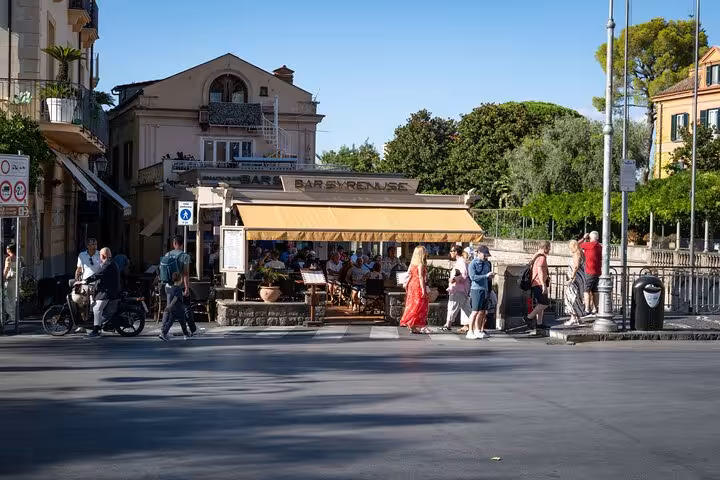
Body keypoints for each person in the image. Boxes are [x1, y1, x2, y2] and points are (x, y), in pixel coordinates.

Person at [159, 235, 198, 337]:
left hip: (168, 285)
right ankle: (192, 330)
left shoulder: (168, 254)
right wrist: (186, 288)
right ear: (182, 244)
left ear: (174, 243)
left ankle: (165, 329)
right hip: (179, 286)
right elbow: (186, 273)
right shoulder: (185, 256)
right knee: (185, 308)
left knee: (172, 307)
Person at [83, 248, 121, 338]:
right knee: (97, 308)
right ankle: (102, 324)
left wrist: (86, 280)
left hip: (107, 292)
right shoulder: (111, 262)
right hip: (108, 290)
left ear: (103, 256)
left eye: (100, 255)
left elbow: (98, 274)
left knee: (97, 309)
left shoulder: (107, 264)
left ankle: (96, 330)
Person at [399, 246, 430, 334]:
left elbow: (408, 274)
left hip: (411, 285)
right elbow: (420, 277)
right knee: (421, 305)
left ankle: (412, 325)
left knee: (412, 304)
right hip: (417, 285)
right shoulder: (420, 264)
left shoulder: (412, 264)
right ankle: (416, 324)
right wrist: (424, 290)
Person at [73, 238, 101, 331]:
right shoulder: (82, 255)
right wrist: (77, 279)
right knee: (83, 304)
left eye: (95, 244)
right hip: (85, 283)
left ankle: (96, 325)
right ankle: (82, 325)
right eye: (92, 244)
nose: (94, 246)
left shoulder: (99, 254)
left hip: (97, 283)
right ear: (87, 246)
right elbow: (79, 268)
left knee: (94, 304)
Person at [467, 245, 494, 339]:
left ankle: (477, 330)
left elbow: (487, 276)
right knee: (475, 311)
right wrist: (486, 276)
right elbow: (473, 277)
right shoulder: (473, 264)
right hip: (476, 289)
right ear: (478, 253)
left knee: (482, 311)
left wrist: (490, 277)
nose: (485, 257)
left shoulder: (487, 263)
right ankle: (470, 331)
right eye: (484, 254)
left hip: (485, 289)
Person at [442, 245, 471, 332]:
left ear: (455, 252)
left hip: (458, 288)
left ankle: (448, 325)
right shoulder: (461, 261)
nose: (450, 253)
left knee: (452, 306)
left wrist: (453, 279)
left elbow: (463, 275)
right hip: (462, 289)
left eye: (451, 251)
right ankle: (478, 324)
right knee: (467, 309)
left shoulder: (460, 262)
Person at [523, 241, 551, 331]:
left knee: (540, 303)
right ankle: (528, 317)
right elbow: (540, 272)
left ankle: (539, 323)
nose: (550, 249)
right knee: (544, 304)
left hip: (535, 283)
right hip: (539, 283)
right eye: (549, 247)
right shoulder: (542, 258)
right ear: (545, 247)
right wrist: (543, 285)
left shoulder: (536, 256)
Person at [159, 272, 191, 341]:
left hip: (173, 309)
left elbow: (175, 295)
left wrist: (170, 306)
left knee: (170, 322)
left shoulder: (172, 288)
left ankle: (163, 333)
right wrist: (170, 305)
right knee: (183, 322)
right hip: (179, 308)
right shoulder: (179, 288)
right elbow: (176, 297)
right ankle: (186, 334)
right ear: (180, 280)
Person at [564, 239, 587, 326]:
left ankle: (573, 317)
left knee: (571, 297)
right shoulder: (581, 252)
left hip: (575, 279)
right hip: (580, 278)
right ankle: (578, 318)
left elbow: (576, 266)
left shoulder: (576, 254)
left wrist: (572, 277)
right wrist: (583, 239)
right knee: (577, 297)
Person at [579, 231, 602, 315]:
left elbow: (576, 245)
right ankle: (595, 309)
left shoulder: (589, 245)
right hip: (598, 271)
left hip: (590, 271)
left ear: (591, 238)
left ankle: (587, 309)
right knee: (595, 291)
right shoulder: (599, 246)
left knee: (586, 290)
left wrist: (584, 238)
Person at [3, 244, 22, 326]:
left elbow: (6, 269)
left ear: (9, 250)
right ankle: (15, 317)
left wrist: (3, 277)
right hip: (17, 281)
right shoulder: (20, 258)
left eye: (7, 249)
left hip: (10, 280)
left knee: (7, 298)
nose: (6, 250)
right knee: (14, 298)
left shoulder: (8, 258)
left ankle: (12, 317)